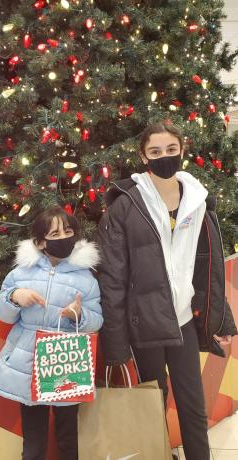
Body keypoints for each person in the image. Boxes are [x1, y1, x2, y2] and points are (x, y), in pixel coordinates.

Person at [96, 122, 237, 460]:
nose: (164, 157)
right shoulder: (125, 206)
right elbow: (111, 280)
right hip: (142, 327)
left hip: (182, 320)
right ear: (143, 155)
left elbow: (211, 268)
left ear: (181, 151)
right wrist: (116, 346)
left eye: (171, 150)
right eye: (155, 151)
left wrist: (222, 321)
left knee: (192, 404)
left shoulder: (199, 201)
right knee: (151, 404)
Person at [0, 206, 103, 460]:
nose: (63, 238)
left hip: (67, 358)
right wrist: (14, 297)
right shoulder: (20, 273)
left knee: (68, 434)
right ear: (40, 243)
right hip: (28, 361)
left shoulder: (87, 279)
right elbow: (2, 314)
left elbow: (96, 319)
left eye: (68, 231)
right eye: (55, 234)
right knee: (34, 438)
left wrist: (79, 315)